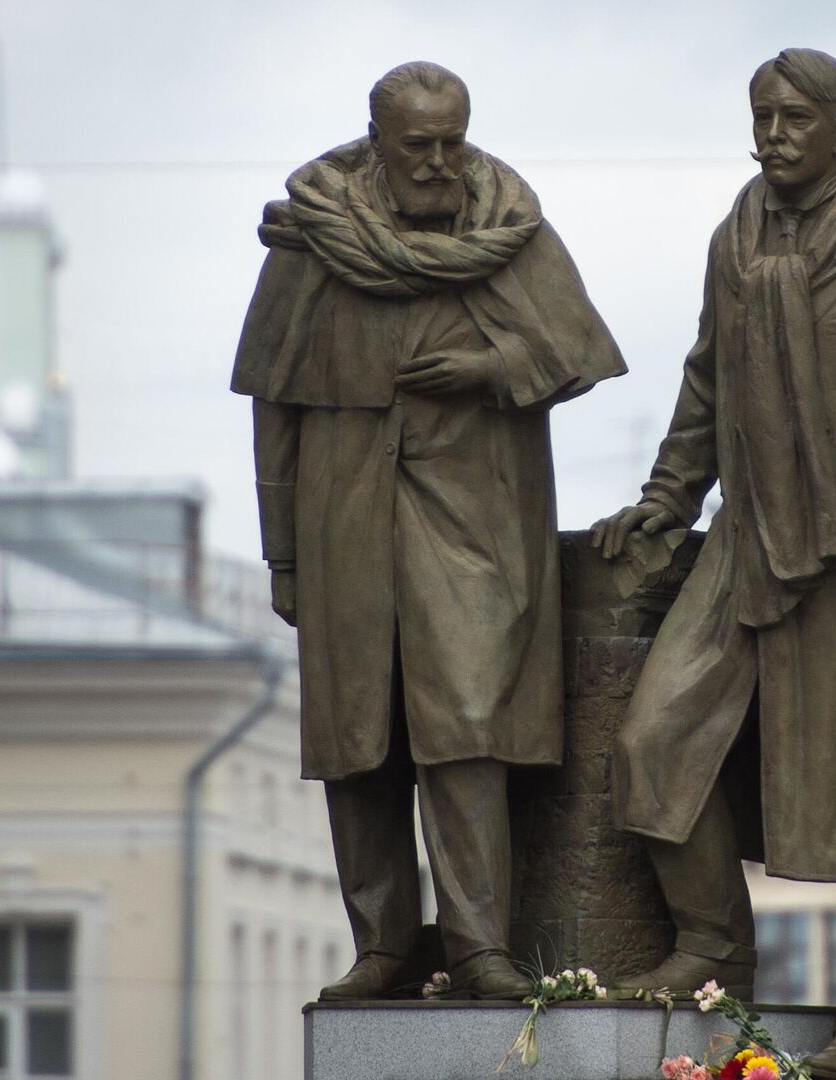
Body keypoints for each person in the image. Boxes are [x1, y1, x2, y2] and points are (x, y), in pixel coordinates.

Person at [593, 47, 836, 1080]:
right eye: (761, 116)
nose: (771, 134)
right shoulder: (735, 237)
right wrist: (665, 499)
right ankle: (715, 945)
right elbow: (705, 383)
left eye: (791, 119)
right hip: (751, 536)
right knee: (656, 738)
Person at [231, 61, 625, 1000]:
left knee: (467, 728)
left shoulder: (508, 229)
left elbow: (576, 351)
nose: (442, 162)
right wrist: (282, 551)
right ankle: (382, 942)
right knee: (357, 738)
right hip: (343, 515)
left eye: (454, 140)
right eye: (420, 146)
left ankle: (479, 941)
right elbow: (274, 409)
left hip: (477, 514)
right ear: (379, 142)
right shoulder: (310, 245)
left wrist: (491, 367)